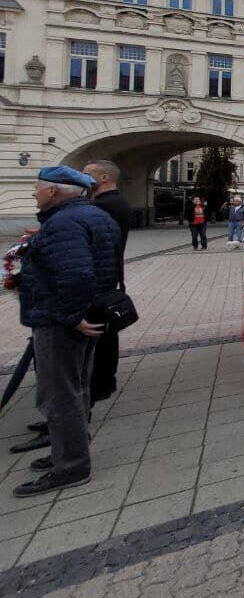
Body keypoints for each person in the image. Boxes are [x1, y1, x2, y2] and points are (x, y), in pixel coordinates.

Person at [14, 167, 121, 497]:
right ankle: (72, 446)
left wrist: (71, 315)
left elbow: (75, 274)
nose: (34, 192)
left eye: (37, 188)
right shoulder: (96, 216)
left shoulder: (64, 222)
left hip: (63, 320)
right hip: (87, 313)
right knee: (77, 386)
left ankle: (70, 465)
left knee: (59, 393)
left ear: (53, 192)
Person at [80, 160, 131, 405]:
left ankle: (100, 383)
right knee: (105, 332)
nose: (82, 177)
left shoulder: (105, 206)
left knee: (101, 333)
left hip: (99, 276)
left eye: (87, 174)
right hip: (108, 274)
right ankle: (104, 381)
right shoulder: (113, 202)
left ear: (103, 177)